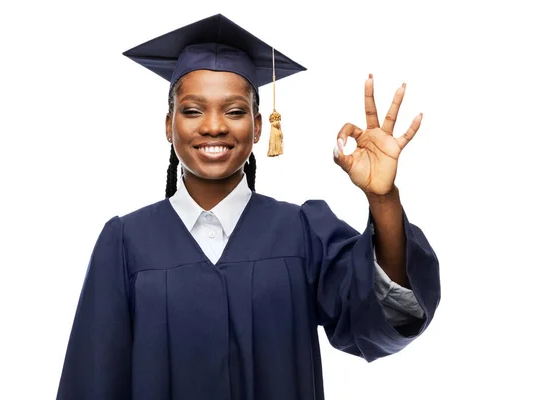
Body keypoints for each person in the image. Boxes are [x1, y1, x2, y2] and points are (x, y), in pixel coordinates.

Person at [56, 13, 441, 400]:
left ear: (259, 126)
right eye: (192, 111)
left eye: (235, 111)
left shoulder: (303, 231)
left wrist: (382, 198)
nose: (214, 126)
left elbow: (377, 316)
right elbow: (92, 380)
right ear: (168, 124)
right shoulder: (125, 244)